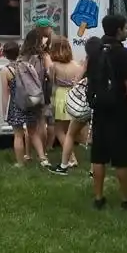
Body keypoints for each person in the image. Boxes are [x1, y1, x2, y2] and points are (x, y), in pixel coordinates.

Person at [88, 13, 127, 210]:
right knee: (122, 158)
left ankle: (98, 197)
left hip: (99, 108)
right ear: (118, 30)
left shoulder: (95, 51)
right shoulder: (123, 54)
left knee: (98, 156)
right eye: (125, 28)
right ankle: (126, 199)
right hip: (120, 110)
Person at [17, 28, 52, 166]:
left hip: (25, 95)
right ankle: (43, 155)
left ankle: (28, 153)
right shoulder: (42, 56)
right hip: (40, 93)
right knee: (41, 124)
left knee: (28, 127)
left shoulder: (22, 56)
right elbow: (50, 73)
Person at [48, 35, 83, 164]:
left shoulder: (53, 65)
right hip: (74, 96)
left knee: (59, 130)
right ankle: (71, 156)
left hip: (61, 96)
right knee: (70, 130)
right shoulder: (77, 65)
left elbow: (51, 83)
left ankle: (71, 158)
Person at [0, 42, 28, 167]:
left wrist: (4, 110)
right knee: (31, 131)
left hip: (16, 104)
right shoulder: (27, 66)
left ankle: (20, 162)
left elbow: (5, 93)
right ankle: (35, 156)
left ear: (5, 54)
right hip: (29, 102)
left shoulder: (6, 70)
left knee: (18, 134)